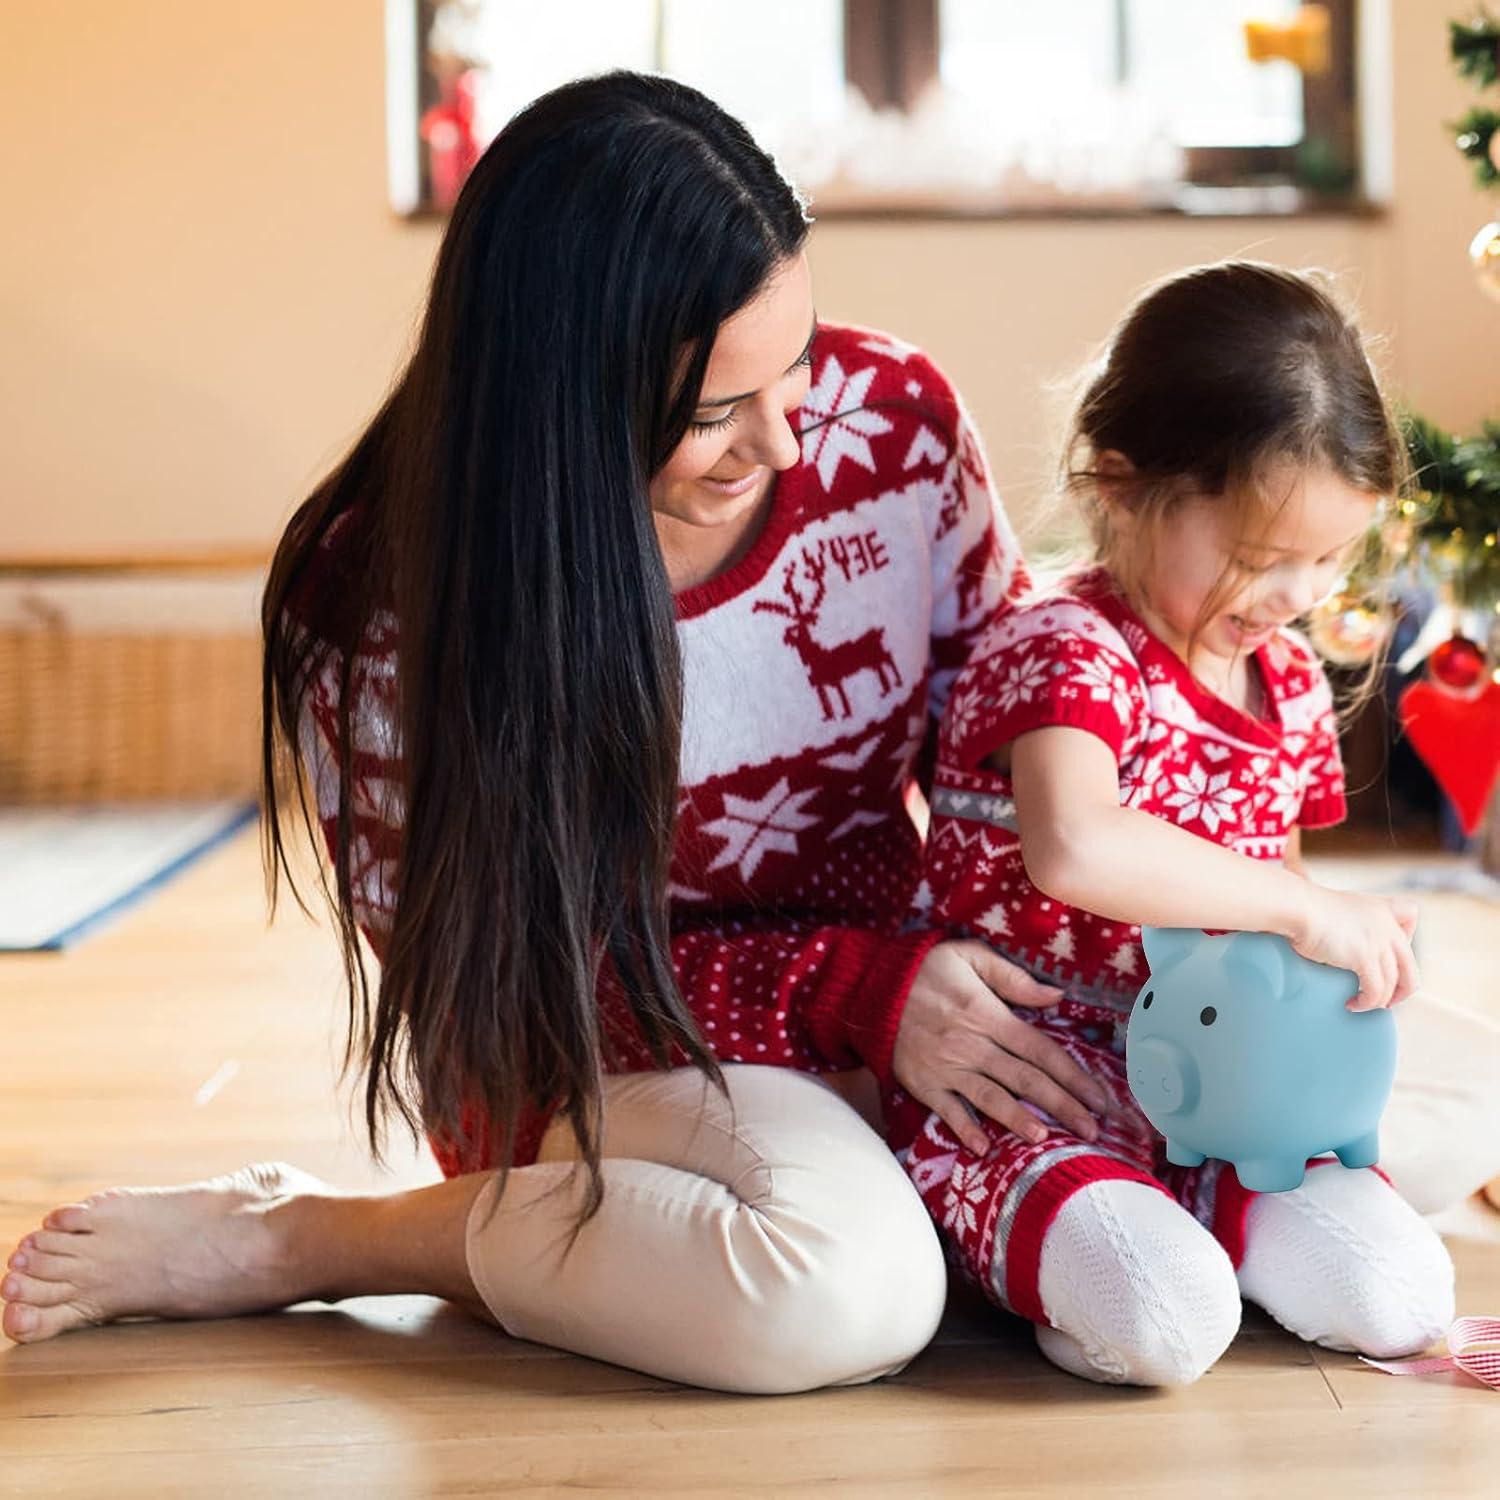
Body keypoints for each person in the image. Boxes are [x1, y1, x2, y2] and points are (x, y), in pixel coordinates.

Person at [0, 73, 1114, 1390]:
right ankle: (309, 1241)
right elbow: (503, 1004)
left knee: (1375, 1126)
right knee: (834, 1295)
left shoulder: (893, 429)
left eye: (796, 368)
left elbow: (1007, 761)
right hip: (598, 1073)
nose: (787, 442)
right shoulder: (380, 610)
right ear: (560, 397)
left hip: (893, 1019)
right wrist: (848, 991)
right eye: (711, 413)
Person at [892, 261, 1459, 1387]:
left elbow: (1272, 927)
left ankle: (1185, 1231)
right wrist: (1304, 906)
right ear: (1121, 484)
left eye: (1328, 557)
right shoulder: (1064, 646)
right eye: (1260, 558)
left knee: (1398, 1297)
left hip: (1218, 1102)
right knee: (1165, 1320)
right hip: (1025, 1090)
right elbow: (1077, 845)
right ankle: (1041, 1240)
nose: (1296, 593)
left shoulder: (1288, 681)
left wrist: (1333, 999)